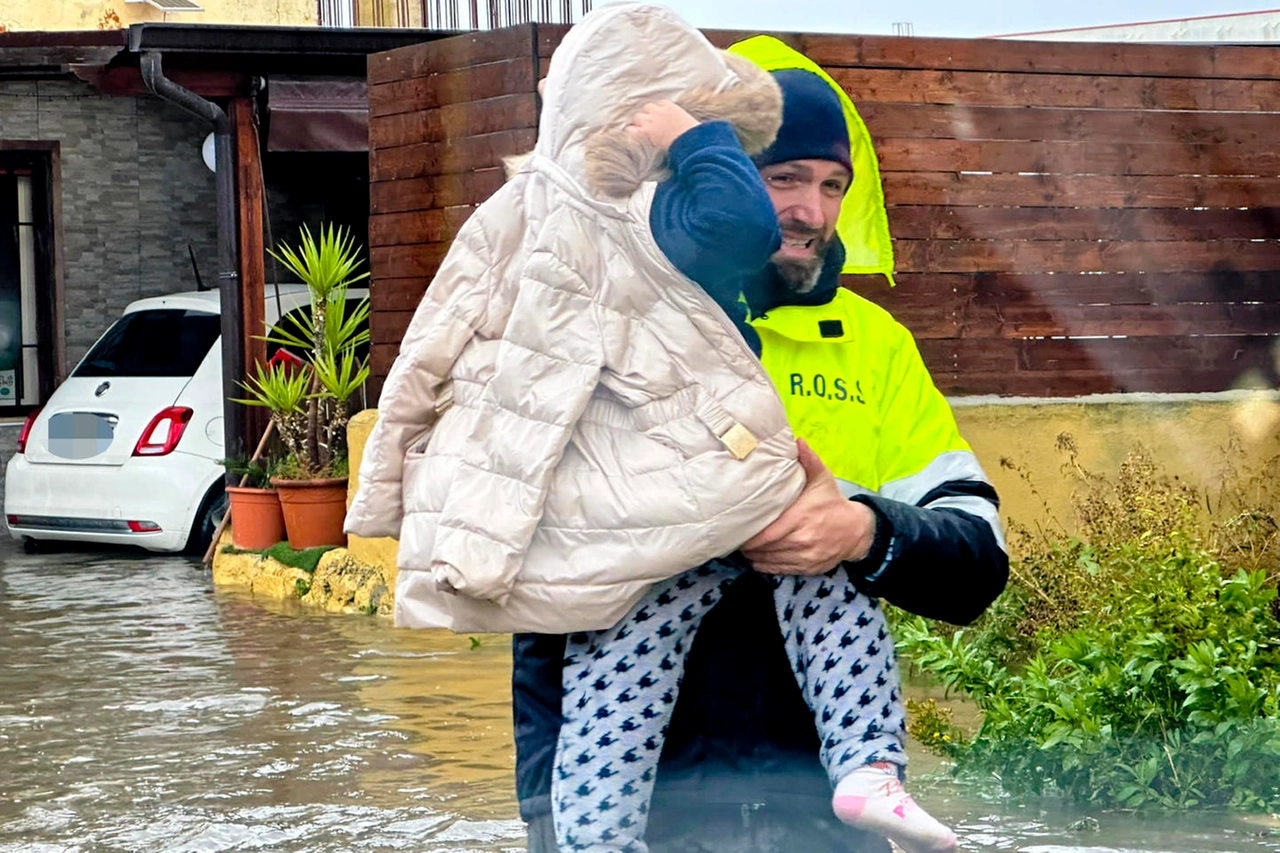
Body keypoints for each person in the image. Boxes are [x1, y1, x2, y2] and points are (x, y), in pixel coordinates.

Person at [514, 37, 1010, 853]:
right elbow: (521, 544)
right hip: (628, 809)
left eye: (831, 186)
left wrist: (863, 530)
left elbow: (977, 562)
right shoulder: (605, 316)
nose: (810, 210)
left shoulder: (876, 346)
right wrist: (545, 811)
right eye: (783, 179)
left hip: (814, 816)